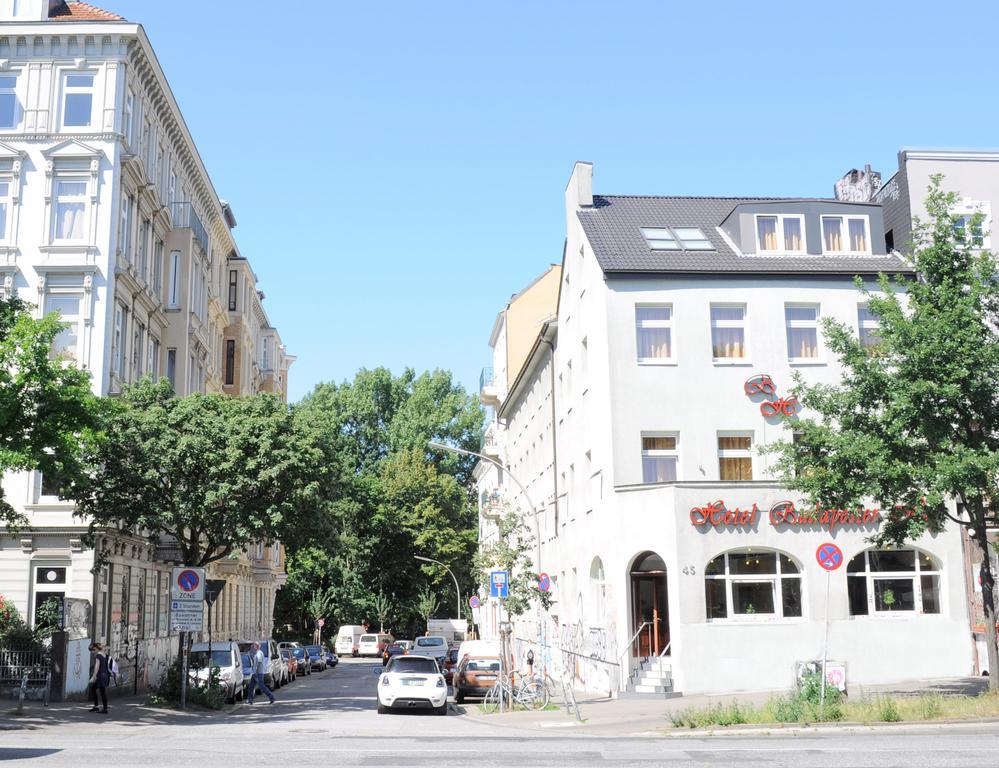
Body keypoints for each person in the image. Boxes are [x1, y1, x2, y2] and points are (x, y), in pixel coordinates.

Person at [88, 643, 110, 714]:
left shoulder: (98, 656)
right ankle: (97, 707)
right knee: (94, 689)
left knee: (101, 692)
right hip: (105, 675)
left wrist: (94, 676)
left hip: (100, 676)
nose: (92, 652)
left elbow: (97, 667)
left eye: (92, 650)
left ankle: (104, 709)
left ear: (95, 649)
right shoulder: (104, 654)